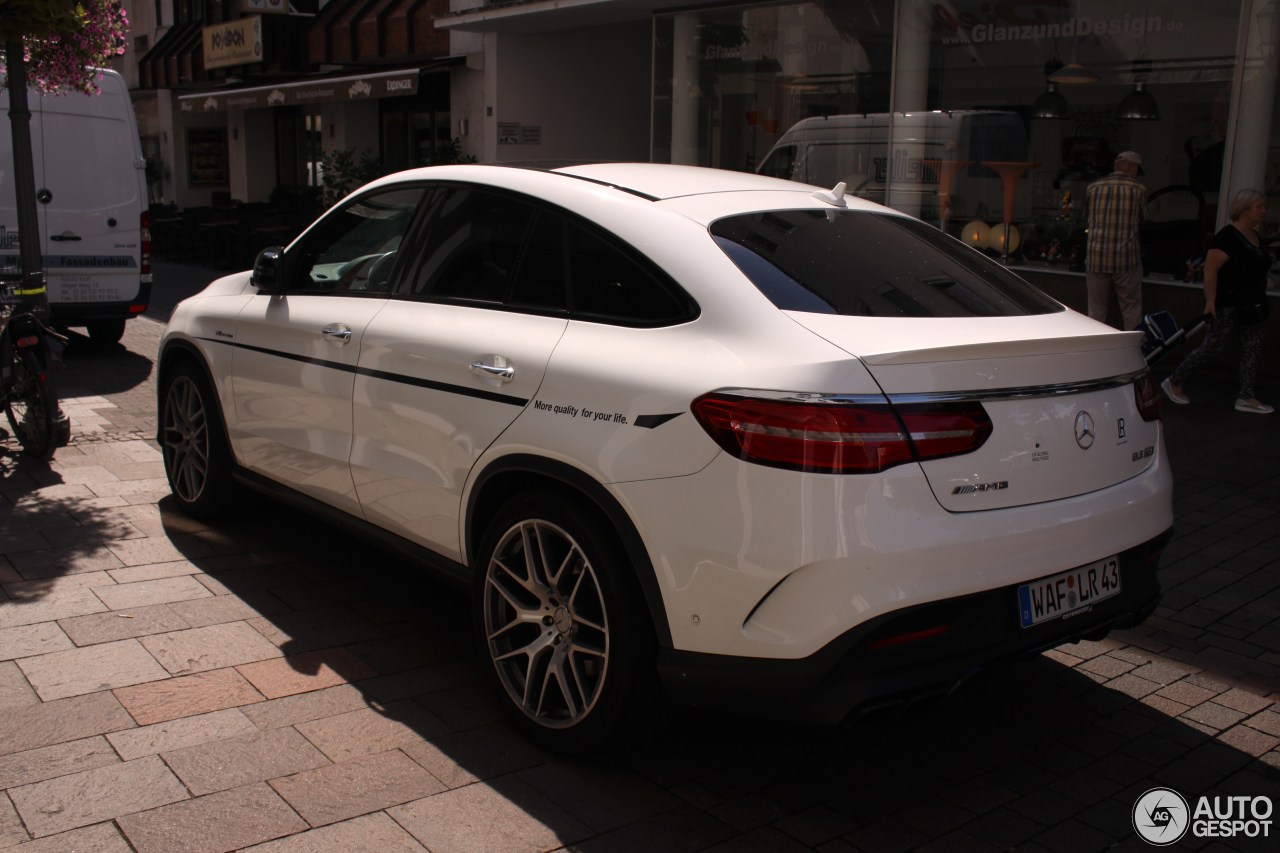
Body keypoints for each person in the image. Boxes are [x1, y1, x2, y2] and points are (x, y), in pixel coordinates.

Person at [1161, 189, 1273, 414]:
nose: (1263, 211)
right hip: (1229, 302)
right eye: (1259, 207)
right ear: (1245, 209)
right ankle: (1174, 380)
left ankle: (1246, 396)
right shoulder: (1227, 237)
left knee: (1252, 347)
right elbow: (1211, 270)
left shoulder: (1254, 236)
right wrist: (1210, 300)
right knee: (1212, 346)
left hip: (1252, 303)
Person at [1086, 151, 1148, 330]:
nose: (1136, 173)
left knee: (1096, 311)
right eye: (1136, 168)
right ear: (1130, 166)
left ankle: (1095, 350)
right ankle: (1131, 350)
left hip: (1096, 256)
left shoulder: (1093, 187)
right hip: (1126, 258)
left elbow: (1087, 217)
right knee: (1130, 309)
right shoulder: (1139, 189)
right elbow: (1145, 220)